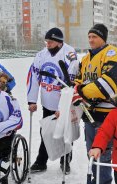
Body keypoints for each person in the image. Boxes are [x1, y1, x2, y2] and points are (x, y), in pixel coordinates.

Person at [73, 23, 117, 184]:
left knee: (104, 153)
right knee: (91, 151)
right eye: (89, 36)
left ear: (103, 38)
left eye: (94, 36)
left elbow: (108, 85)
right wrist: (80, 89)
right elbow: (78, 81)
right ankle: (95, 179)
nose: (91, 39)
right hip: (88, 114)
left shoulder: (111, 54)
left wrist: (82, 91)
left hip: (107, 115)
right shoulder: (86, 58)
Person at [26, 27, 79, 174]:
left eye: (50, 41)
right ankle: (41, 161)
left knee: (66, 132)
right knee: (46, 132)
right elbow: (33, 77)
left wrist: (63, 105)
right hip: (47, 103)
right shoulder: (41, 55)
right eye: (46, 41)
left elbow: (71, 82)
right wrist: (32, 100)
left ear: (59, 42)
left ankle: (65, 161)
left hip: (64, 104)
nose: (47, 43)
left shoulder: (69, 54)